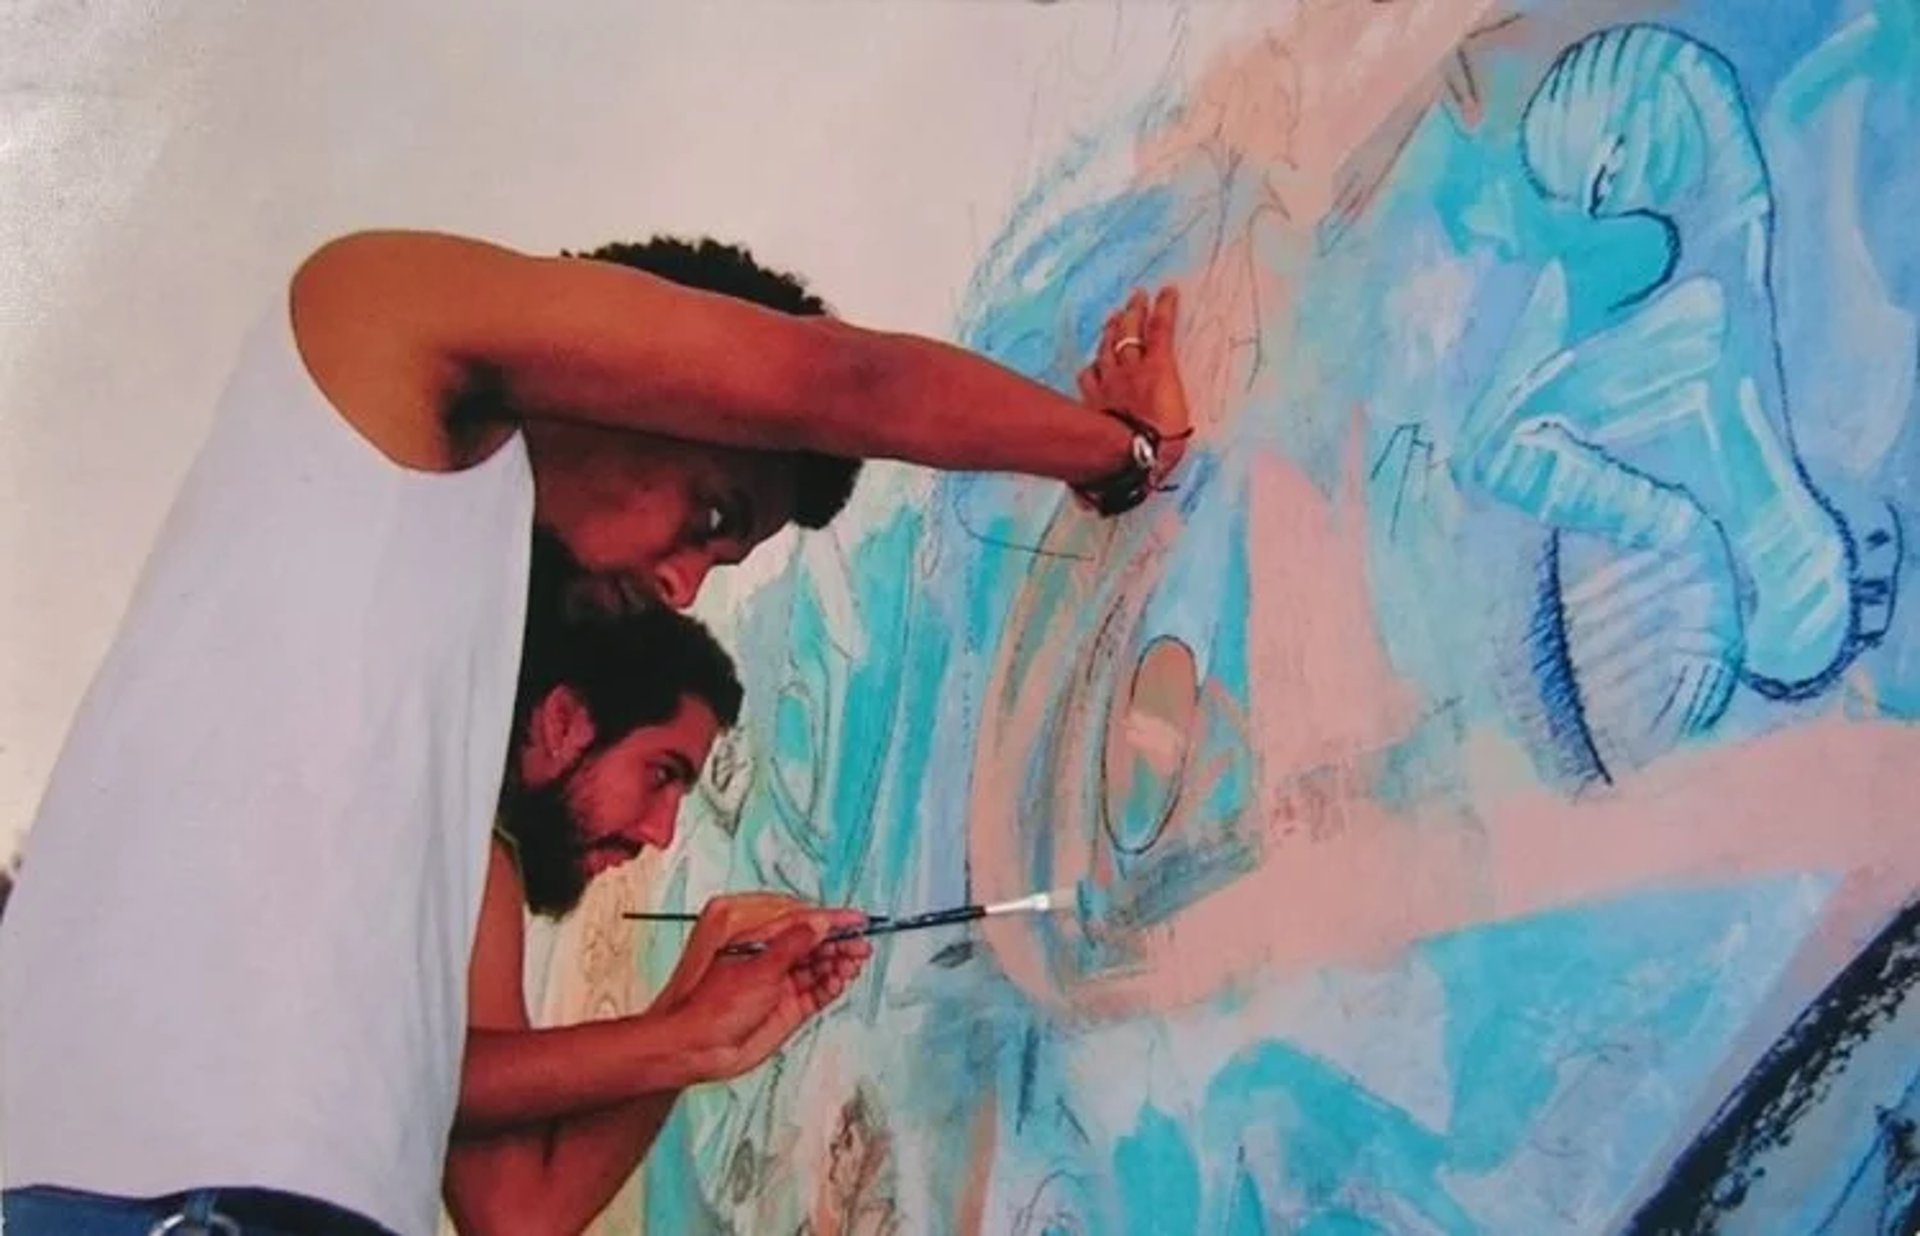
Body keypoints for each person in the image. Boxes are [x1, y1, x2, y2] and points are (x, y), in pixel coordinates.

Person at [0, 228, 1192, 1236]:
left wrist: (691, 1031)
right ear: (648, 364)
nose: (681, 587)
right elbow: (833, 380)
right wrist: (1121, 453)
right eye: (710, 516)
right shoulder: (368, 325)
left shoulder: (446, 777)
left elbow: (512, 1207)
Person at [443, 579, 867, 1236]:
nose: (661, 833)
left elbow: (516, 1215)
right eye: (661, 774)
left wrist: (688, 1016)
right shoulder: (460, 838)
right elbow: (436, 1074)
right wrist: (690, 1034)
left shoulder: (478, 861)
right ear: (564, 721)